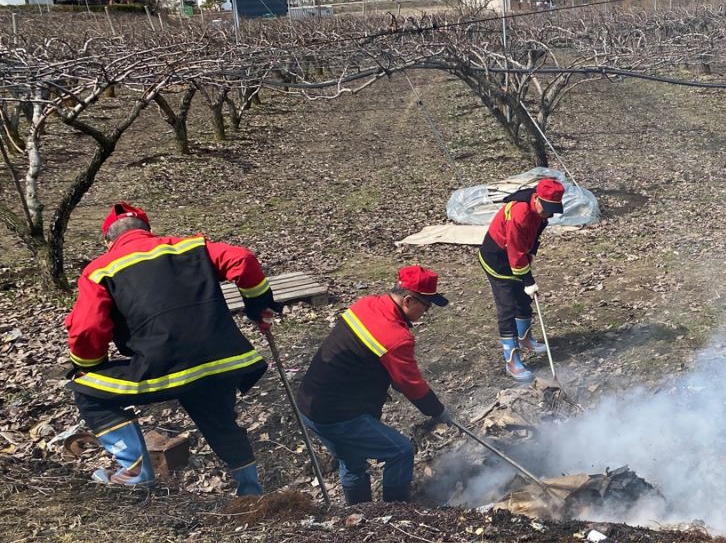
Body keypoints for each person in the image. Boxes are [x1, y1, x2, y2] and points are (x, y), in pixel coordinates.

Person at [65, 203, 280, 495]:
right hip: (224, 360)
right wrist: (259, 306)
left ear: (108, 240)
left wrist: (89, 363)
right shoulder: (191, 247)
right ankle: (251, 490)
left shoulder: (100, 270)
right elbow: (242, 258)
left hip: (163, 367)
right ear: (147, 230)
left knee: (87, 391)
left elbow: (88, 328)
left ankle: (135, 473)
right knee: (218, 418)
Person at [295, 266, 452, 504]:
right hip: (336, 415)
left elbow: (371, 359)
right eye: (426, 306)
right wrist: (438, 411)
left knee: (352, 461)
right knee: (400, 452)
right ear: (408, 300)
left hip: (309, 404)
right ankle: (396, 511)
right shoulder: (396, 336)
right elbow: (412, 385)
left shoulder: (367, 304)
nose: (426, 311)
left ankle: (361, 514)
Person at [478, 177, 564, 383]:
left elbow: (537, 232)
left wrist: (532, 251)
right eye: (547, 208)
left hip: (517, 256)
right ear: (537, 199)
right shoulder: (519, 215)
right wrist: (528, 281)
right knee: (508, 307)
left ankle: (525, 338)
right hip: (497, 258)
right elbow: (515, 253)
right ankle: (511, 360)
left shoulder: (543, 211)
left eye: (554, 208)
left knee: (524, 301)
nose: (549, 213)